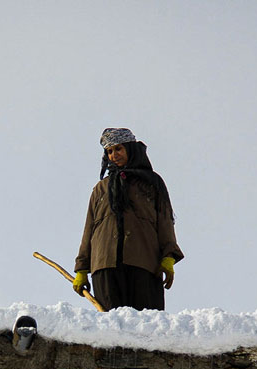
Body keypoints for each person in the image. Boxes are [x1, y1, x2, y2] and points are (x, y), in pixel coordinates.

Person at [73, 128, 184, 311]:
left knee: (145, 324)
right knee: (111, 326)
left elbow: (165, 222)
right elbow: (89, 230)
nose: (114, 155)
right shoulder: (100, 189)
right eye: (109, 151)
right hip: (105, 265)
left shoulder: (152, 183)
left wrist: (169, 256)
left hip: (144, 264)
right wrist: (82, 269)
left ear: (130, 149)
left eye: (118, 149)